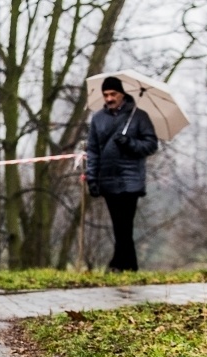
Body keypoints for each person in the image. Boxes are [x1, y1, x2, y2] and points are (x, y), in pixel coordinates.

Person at [85, 76, 158, 272]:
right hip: (107, 179)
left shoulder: (139, 117)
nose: (109, 98)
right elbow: (92, 150)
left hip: (130, 179)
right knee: (119, 225)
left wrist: (130, 143)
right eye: (106, 94)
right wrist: (92, 178)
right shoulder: (98, 119)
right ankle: (123, 265)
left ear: (122, 94)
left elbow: (151, 145)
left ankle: (121, 265)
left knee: (124, 224)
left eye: (113, 94)